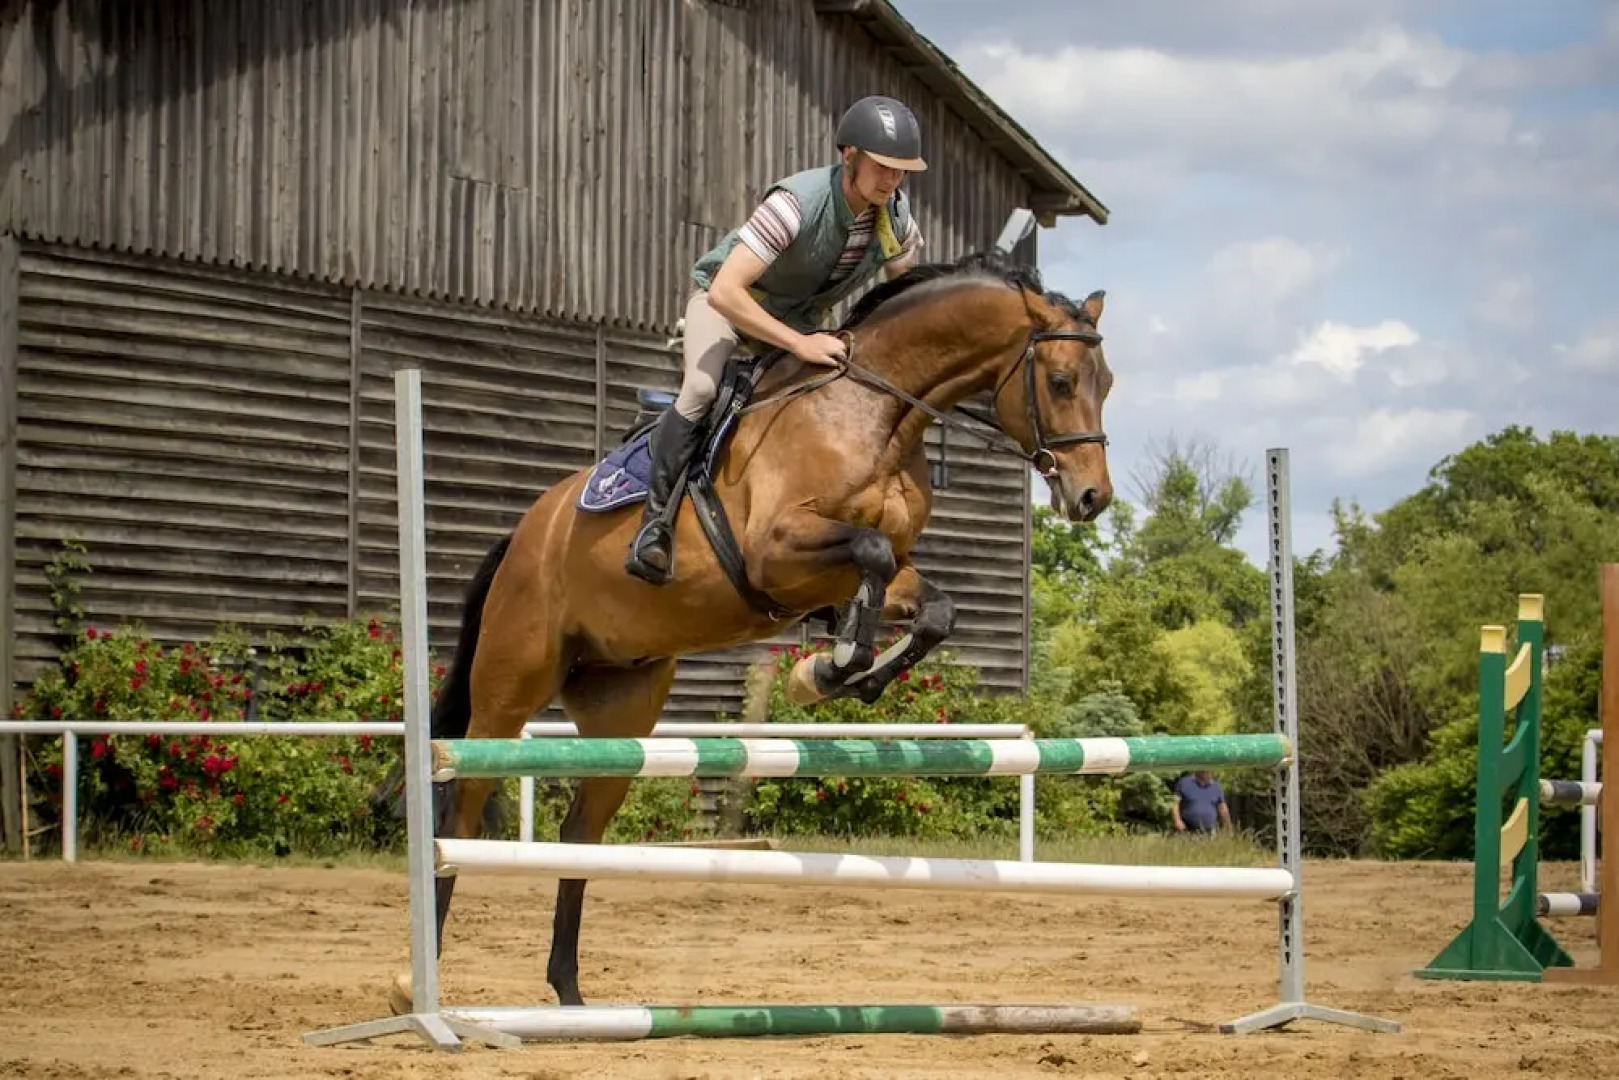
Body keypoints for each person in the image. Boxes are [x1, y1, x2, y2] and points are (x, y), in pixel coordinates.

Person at [624, 94, 929, 585]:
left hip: (799, 324)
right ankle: (654, 526)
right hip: (728, 307)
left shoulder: (894, 216)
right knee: (701, 389)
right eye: (882, 167)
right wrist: (800, 345)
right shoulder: (794, 204)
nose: (892, 180)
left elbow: (903, 294)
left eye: (901, 172)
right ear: (849, 155)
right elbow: (726, 290)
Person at [1171, 770, 1232, 834]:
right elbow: (1175, 803)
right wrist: (1177, 820)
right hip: (1187, 829)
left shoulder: (1216, 786)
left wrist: (1228, 826)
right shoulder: (1184, 782)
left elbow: (1222, 808)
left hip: (1209, 831)